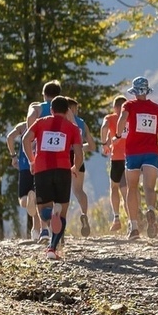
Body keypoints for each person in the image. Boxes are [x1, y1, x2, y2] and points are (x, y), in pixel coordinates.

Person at [22, 96, 84, 260]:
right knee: (62, 215)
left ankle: (50, 214)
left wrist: (31, 160)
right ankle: (52, 249)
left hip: (42, 170)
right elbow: (79, 153)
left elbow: (25, 139)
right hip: (63, 171)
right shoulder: (72, 128)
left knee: (43, 213)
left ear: (51, 110)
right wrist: (75, 167)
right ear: (67, 111)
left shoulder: (41, 123)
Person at [116, 76, 158, 240]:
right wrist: (154, 131)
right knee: (149, 187)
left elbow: (122, 119)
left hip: (133, 152)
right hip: (151, 152)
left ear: (134, 91)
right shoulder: (157, 109)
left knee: (132, 188)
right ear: (147, 91)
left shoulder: (129, 105)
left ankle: (133, 227)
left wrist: (118, 134)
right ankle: (151, 210)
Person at [66, 98, 97, 237]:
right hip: (78, 157)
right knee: (78, 190)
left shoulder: (61, 122)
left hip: (63, 157)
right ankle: (84, 214)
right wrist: (79, 148)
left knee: (61, 192)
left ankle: (59, 223)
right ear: (73, 109)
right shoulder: (82, 123)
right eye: (76, 109)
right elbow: (92, 146)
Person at [7, 121, 42, 240]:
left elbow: (9, 137)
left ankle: (28, 199)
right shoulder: (42, 123)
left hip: (25, 166)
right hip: (40, 166)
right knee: (37, 201)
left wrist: (13, 156)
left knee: (23, 200)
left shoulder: (22, 126)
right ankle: (36, 231)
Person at [100, 96, 129, 233]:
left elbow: (104, 127)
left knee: (114, 187)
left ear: (115, 107)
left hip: (117, 158)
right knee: (128, 190)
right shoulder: (130, 117)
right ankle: (132, 220)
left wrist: (105, 143)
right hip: (131, 156)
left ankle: (117, 218)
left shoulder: (110, 118)